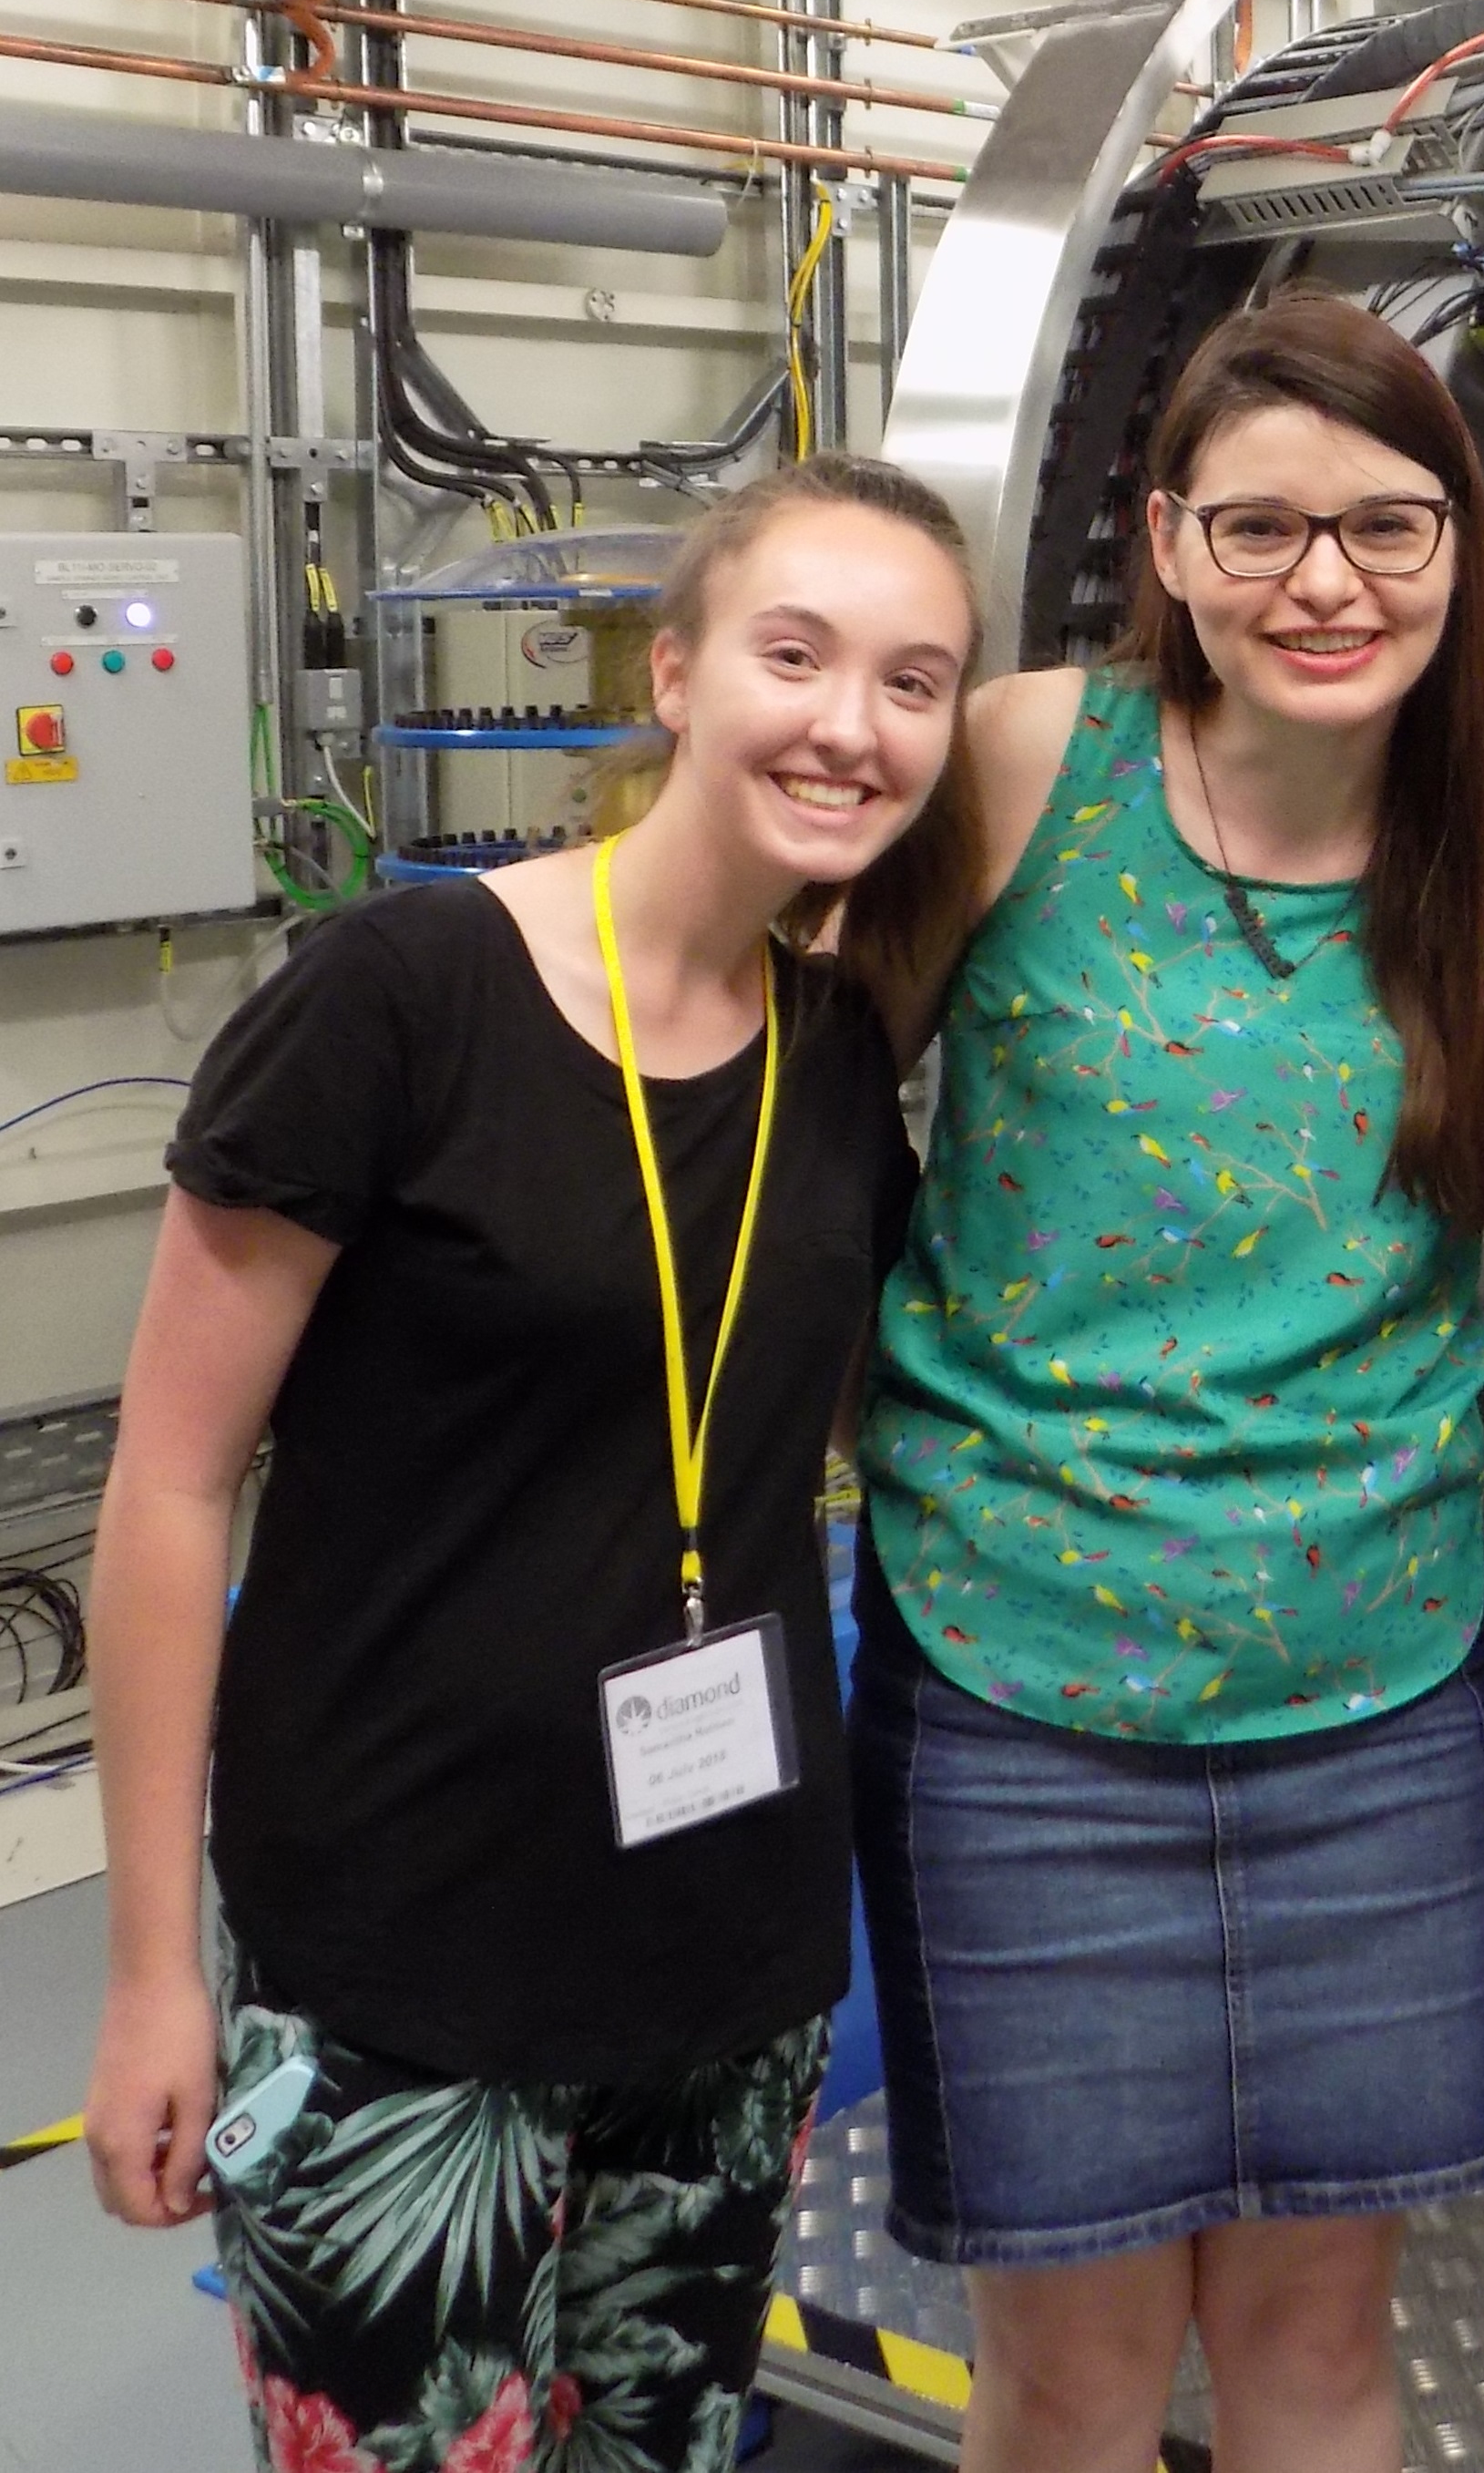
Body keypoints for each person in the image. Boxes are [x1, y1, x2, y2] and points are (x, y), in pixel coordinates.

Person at [81, 455, 982, 2473]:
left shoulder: (836, 1049)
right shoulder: (395, 1006)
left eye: (914, 679)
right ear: (672, 674)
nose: (852, 720)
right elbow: (166, 1480)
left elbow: (897, 1407)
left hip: (725, 1965)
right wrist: (154, 1963)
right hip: (403, 1959)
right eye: (797, 652)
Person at [850, 291, 1484, 2473]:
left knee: (1315, 2343)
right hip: (1022, 1687)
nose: (1327, 582)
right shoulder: (1024, 765)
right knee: (1076, 2367)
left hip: (1371, 1688)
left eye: (1387, 527)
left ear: (1461, 552)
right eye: (1264, 527)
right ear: (1172, 545)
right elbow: (815, 1123)